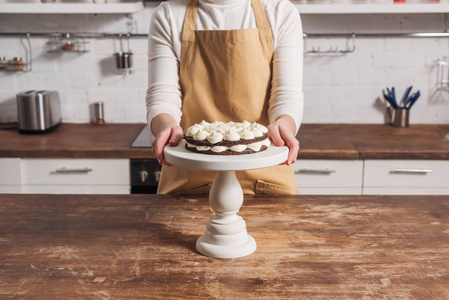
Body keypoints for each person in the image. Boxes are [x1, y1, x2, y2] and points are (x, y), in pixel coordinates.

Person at [146, 0, 304, 195]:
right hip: (189, 178)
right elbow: (163, 96)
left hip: (266, 178)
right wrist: (166, 128)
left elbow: (285, 94)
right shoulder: (169, 15)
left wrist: (284, 126)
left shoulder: (280, 12)